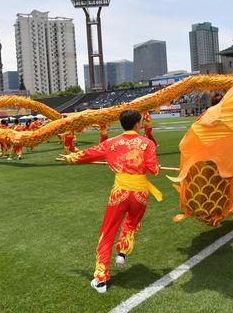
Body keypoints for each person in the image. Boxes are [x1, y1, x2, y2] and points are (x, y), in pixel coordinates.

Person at [58, 110, 161, 294]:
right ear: (138, 124)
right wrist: (155, 166)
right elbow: (154, 170)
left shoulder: (111, 143)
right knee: (131, 225)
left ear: (122, 124)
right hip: (140, 195)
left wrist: (70, 157)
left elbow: (89, 154)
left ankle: (101, 278)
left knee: (107, 233)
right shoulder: (148, 143)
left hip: (120, 193)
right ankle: (122, 253)